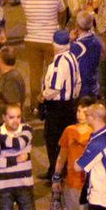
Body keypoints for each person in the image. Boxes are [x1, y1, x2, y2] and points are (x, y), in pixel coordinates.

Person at [55, 100, 94, 210]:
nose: (80, 114)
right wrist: (56, 177)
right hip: (70, 183)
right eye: (78, 110)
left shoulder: (95, 133)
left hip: (87, 185)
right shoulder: (69, 131)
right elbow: (62, 155)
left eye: (84, 112)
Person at [40, 29, 82, 179]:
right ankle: (62, 169)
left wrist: (43, 96)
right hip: (70, 104)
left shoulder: (58, 63)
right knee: (66, 140)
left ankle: (56, 172)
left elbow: (54, 88)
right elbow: (78, 82)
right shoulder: (72, 57)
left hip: (57, 108)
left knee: (53, 140)